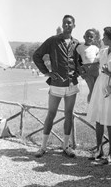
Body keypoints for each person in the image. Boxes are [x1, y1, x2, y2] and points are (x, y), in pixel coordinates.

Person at [33, 15, 80, 158]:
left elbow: (80, 62)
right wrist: (47, 72)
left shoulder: (77, 43)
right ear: (62, 25)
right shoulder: (53, 40)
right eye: (65, 23)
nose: (67, 25)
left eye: (70, 23)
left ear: (74, 25)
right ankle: (43, 147)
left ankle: (66, 146)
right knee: (51, 114)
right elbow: (37, 55)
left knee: (69, 115)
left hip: (72, 84)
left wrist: (80, 71)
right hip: (56, 84)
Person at [86, 27, 111, 164]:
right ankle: (99, 150)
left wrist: (109, 73)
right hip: (100, 87)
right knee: (98, 119)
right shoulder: (101, 52)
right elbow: (89, 63)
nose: (102, 38)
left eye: (105, 36)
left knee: (110, 122)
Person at [76, 29, 100, 103]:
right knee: (92, 89)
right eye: (87, 36)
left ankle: (95, 107)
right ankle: (90, 107)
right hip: (87, 70)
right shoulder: (80, 47)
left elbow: (99, 59)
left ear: (94, 38)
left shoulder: (95, 48)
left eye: (91, 37)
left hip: (96, 70)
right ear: (84, 37)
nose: (89, 38)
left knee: (96, 90)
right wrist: (81, 71)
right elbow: (77, 61)